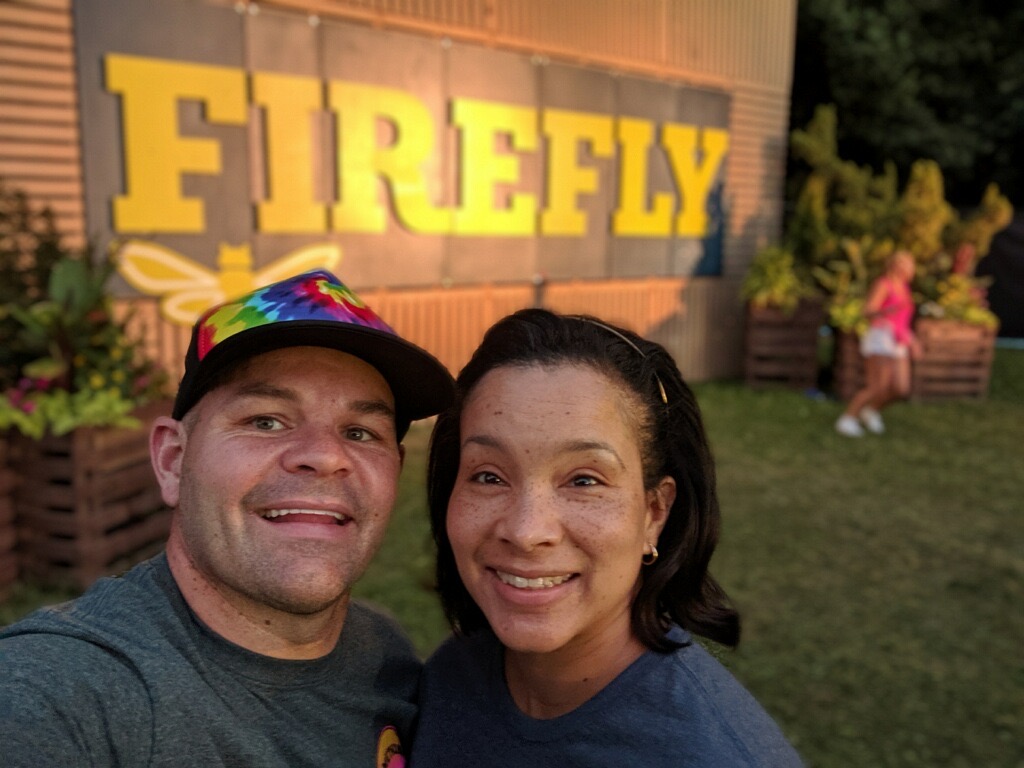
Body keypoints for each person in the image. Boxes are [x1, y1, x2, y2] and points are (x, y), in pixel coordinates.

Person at [0, 269, 454, 767]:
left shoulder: (384, 656)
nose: (326, 456)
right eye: (265, 421)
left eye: (361, 432)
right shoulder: (58, 695)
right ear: (173, 460)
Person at [412, 308, 802, 766]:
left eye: (584, 480)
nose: (526, 531)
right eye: (489, 476)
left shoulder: (712, 755)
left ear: (654, 513)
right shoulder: (447, 679)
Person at [835, 249, 921, 437]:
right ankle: (848, 419)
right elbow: (867, 311)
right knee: (877, 386)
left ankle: (871, 411)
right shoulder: (883, 284)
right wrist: (885, 312)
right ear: (895, 265)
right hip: (881, 338)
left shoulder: (905, 288)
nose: (909, 269)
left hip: (899, 340)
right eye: (906, 265)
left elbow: (903, 319)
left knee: (901, 387)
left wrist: (912, 340)